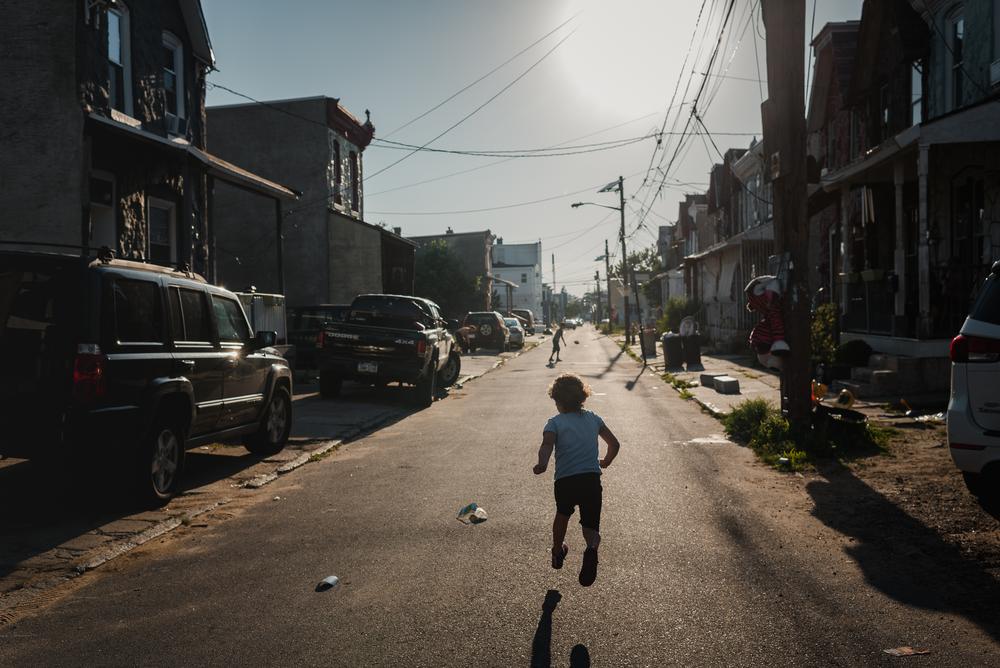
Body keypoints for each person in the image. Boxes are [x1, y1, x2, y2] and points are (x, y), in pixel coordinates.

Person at [532, 374, 621, 586]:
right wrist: (606, 461)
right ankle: (591, 549)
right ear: (582, 397)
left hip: (565, 480)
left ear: (558, 401)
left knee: (562, 515)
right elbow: (614, 444)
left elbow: (547, 445)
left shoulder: (554, 423)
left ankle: (557, 550)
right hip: (591, 480)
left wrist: (542, 464)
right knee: (591, 527)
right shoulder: (593, 418)